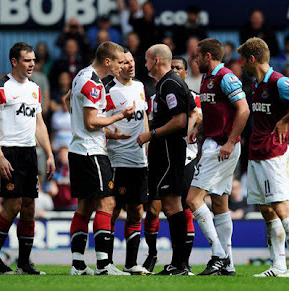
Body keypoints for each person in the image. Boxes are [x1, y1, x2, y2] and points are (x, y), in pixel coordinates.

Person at [238, 37, 289, 277]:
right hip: (257, 153)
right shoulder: (256, 83)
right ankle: (278, 265)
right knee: (266, 209)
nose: (241, 65)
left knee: (282, 207)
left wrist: (284, 121)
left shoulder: (277, 81)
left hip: (274, 153)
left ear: (252, 59)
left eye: (243, 60)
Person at [0, 42, 55, 275]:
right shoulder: (1, 87)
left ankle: (24, 264)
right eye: (27, 60)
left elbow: (39, 122)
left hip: (29, 153)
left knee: (29, 207)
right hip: (8, 152)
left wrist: (50, 154)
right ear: (14, 62)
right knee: (12, 205)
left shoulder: (34, 88)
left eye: (33, 60)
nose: (32, 64)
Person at [67, 41, 135, 276]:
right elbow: (91, 121)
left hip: (78, 149)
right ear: (107, 61)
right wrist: (117, 117)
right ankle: (104, 265)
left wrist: (108, 133)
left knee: (84, 207)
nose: (122, 65)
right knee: (108, 203)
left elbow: (69, 102)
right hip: (91, 152)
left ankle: (77, 265)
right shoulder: (94, 84)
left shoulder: (81, 76)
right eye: (119, 61)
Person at [187, 38, 249, 276]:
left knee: (193, 199)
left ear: (208, 56)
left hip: (222, 146)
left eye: (197, 56)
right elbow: (215, 112)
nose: (195, 59)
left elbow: (243, 109)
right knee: (220, 204)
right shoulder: (207, 78)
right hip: (214, 141)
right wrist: (199, 129)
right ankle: (229, 264)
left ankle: (219, 256)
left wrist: (231, 141)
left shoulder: (226, 76)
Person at [142, 56, 201, 275]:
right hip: (166, 153)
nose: (145, 64)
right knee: (170, 206)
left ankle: (180, 263)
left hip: (169, 153)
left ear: (156, 60)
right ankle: (178, 264)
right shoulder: (163, 86)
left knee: (172, 206)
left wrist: (151, 134)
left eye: (147, 59)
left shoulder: (170, 84)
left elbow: (180, 121)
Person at [102, 49, 150, 275]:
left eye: (132, 61)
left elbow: (145, 120)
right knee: (113, 209)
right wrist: (111, 135)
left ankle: (131, 263)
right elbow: (93, 122)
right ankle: (106, 262)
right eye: (125, 62)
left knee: (137, 209)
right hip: (117, 159)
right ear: (117, 65)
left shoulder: (140, 87)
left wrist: (147, 148)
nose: (130, 65)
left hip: (139, 160)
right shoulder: (107, 89)